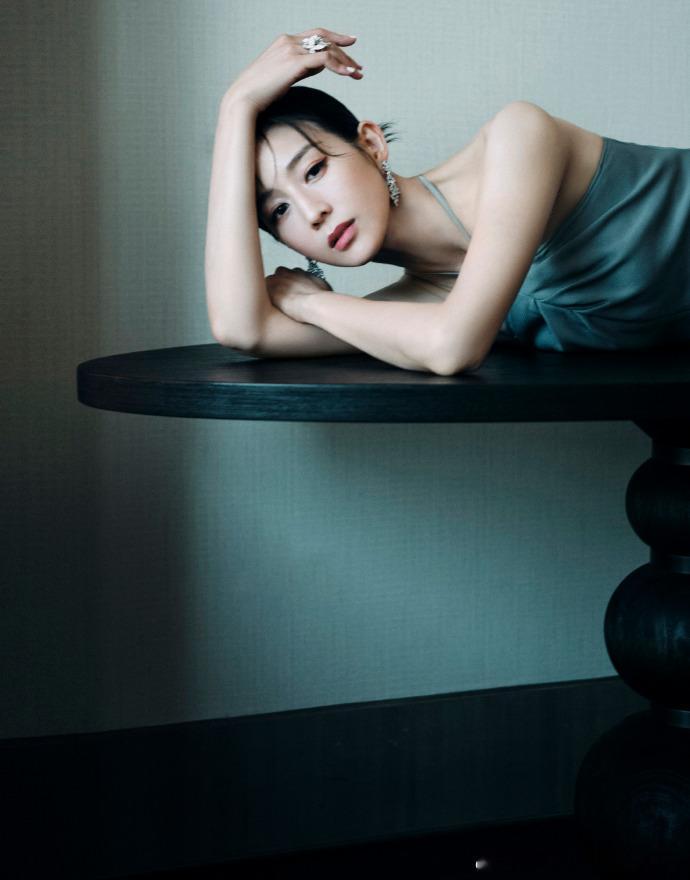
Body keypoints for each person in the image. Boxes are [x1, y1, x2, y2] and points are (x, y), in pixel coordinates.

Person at [205, 28, 690, 376]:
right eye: (279, 211)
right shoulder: (420, 306)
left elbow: (453, 347)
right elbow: (244, 330)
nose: (313, 213)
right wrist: (235, 109)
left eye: (314, 170)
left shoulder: (517, 137)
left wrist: (309, 302)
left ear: (371, 144)